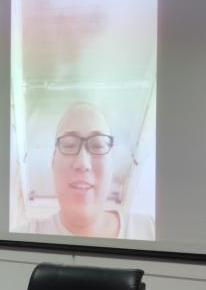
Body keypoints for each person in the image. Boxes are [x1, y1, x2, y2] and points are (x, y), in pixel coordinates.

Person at [24, 103, 154, 240]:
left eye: (98, 145)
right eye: (69, 145)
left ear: (112, 165)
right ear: (53, 163)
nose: (82, 163)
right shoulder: (24, 238)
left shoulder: (150, 230)